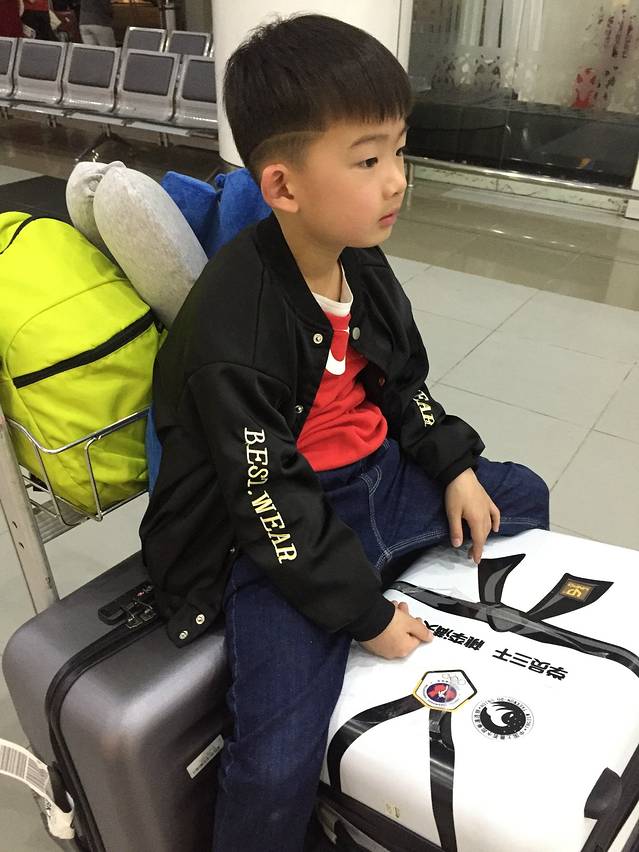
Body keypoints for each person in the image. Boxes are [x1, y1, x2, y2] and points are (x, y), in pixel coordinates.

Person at [139, 13, 550, 852]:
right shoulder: (235, 326)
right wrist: (361, 615)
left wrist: (454, 469)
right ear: (283, 186)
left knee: (518, 496)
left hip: (379, 484)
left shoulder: (359, 257)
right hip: (279, 537)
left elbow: (403, 385)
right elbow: (267, 503)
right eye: (367, 161)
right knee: (272, 761)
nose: (396, 180)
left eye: (398, 149)